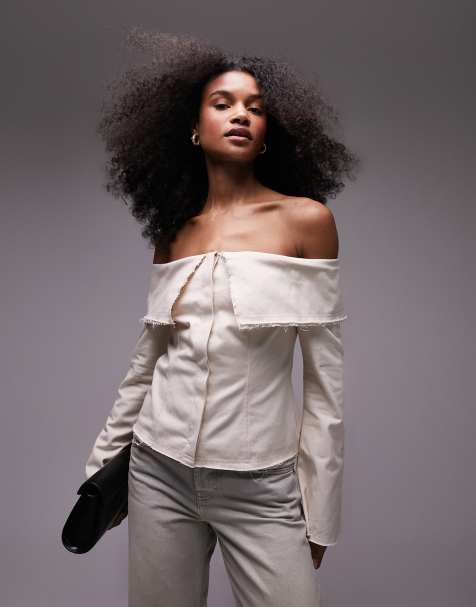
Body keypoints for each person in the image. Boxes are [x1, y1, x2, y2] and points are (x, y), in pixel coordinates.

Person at [84, 29, 360, 607]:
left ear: (267, 135)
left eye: (255, 108)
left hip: (261, 484)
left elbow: (324, 383)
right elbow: (146, 362)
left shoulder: (307, 222)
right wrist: (102, 469)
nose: (241, 115)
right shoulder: (173, 234)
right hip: (157, 471)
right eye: (223, 103)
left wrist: (320, 508)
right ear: (193, 127)